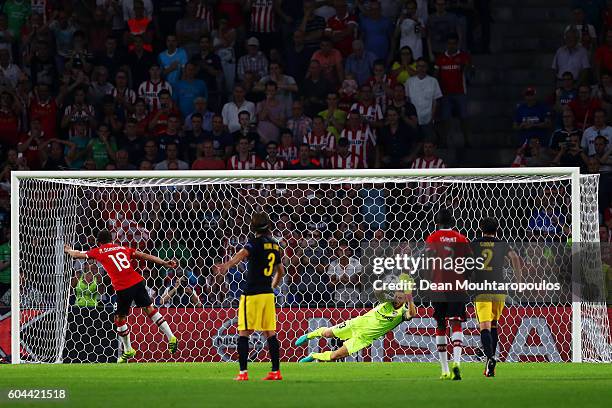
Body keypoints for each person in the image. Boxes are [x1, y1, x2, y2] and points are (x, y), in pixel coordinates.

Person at [64, 229, 179, 363]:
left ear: (98, 242)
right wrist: (163, 262)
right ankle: (171, 336)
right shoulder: (122, 248)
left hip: (123, 287)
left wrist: (68, 250)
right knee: (150, 309)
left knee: (119, 319)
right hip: (137, 281)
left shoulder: (99, 251)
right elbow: (144, 256)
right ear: (111, 240)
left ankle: (128, 349)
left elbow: (77, 255)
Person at [213, 212, 285, 381]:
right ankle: (276, 372)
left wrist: (227, 265)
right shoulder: (275, 245)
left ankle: (243, 373)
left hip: (252, 294)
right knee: (270, 333)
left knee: (244, 333)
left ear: (253, 227)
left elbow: (241, 255)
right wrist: (272, 286)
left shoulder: (253, 243)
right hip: (267, 294)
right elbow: (281, 271)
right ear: (268, 226)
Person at [295, 276, 416, 362]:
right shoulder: (386, 300)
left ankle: (314, 355)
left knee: (334, 356)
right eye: (397, 295)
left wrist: (410, 297)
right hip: (356, 324)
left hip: (363, 339)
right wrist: (389, 285)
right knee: (327, 333)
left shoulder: (403, 313)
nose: (398, 299)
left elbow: (412, 314)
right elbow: (377, 291)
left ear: (406, 299)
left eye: (401, 297)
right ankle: (310, 335)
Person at [471, 217, 522, 377]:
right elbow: (514, 257)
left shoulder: (475, 243)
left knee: (484, 326)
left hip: (482, 288)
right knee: (494, 325)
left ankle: (490, 357)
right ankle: (489, 365)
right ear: (497, 230)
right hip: (499, 289)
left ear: (480, 229)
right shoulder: (501, 244)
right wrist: (518, 281)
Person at [424, 208, 470, 380]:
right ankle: (457, 362)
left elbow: (428, 262)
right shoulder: (461, 238)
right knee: (456, 323)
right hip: (457, 287)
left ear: (437, 223)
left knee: (441, 325)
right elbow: (469, 263)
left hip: (438, 287)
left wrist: (429, 282)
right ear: (452, 223)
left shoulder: (433, 237)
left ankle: (444, 369)